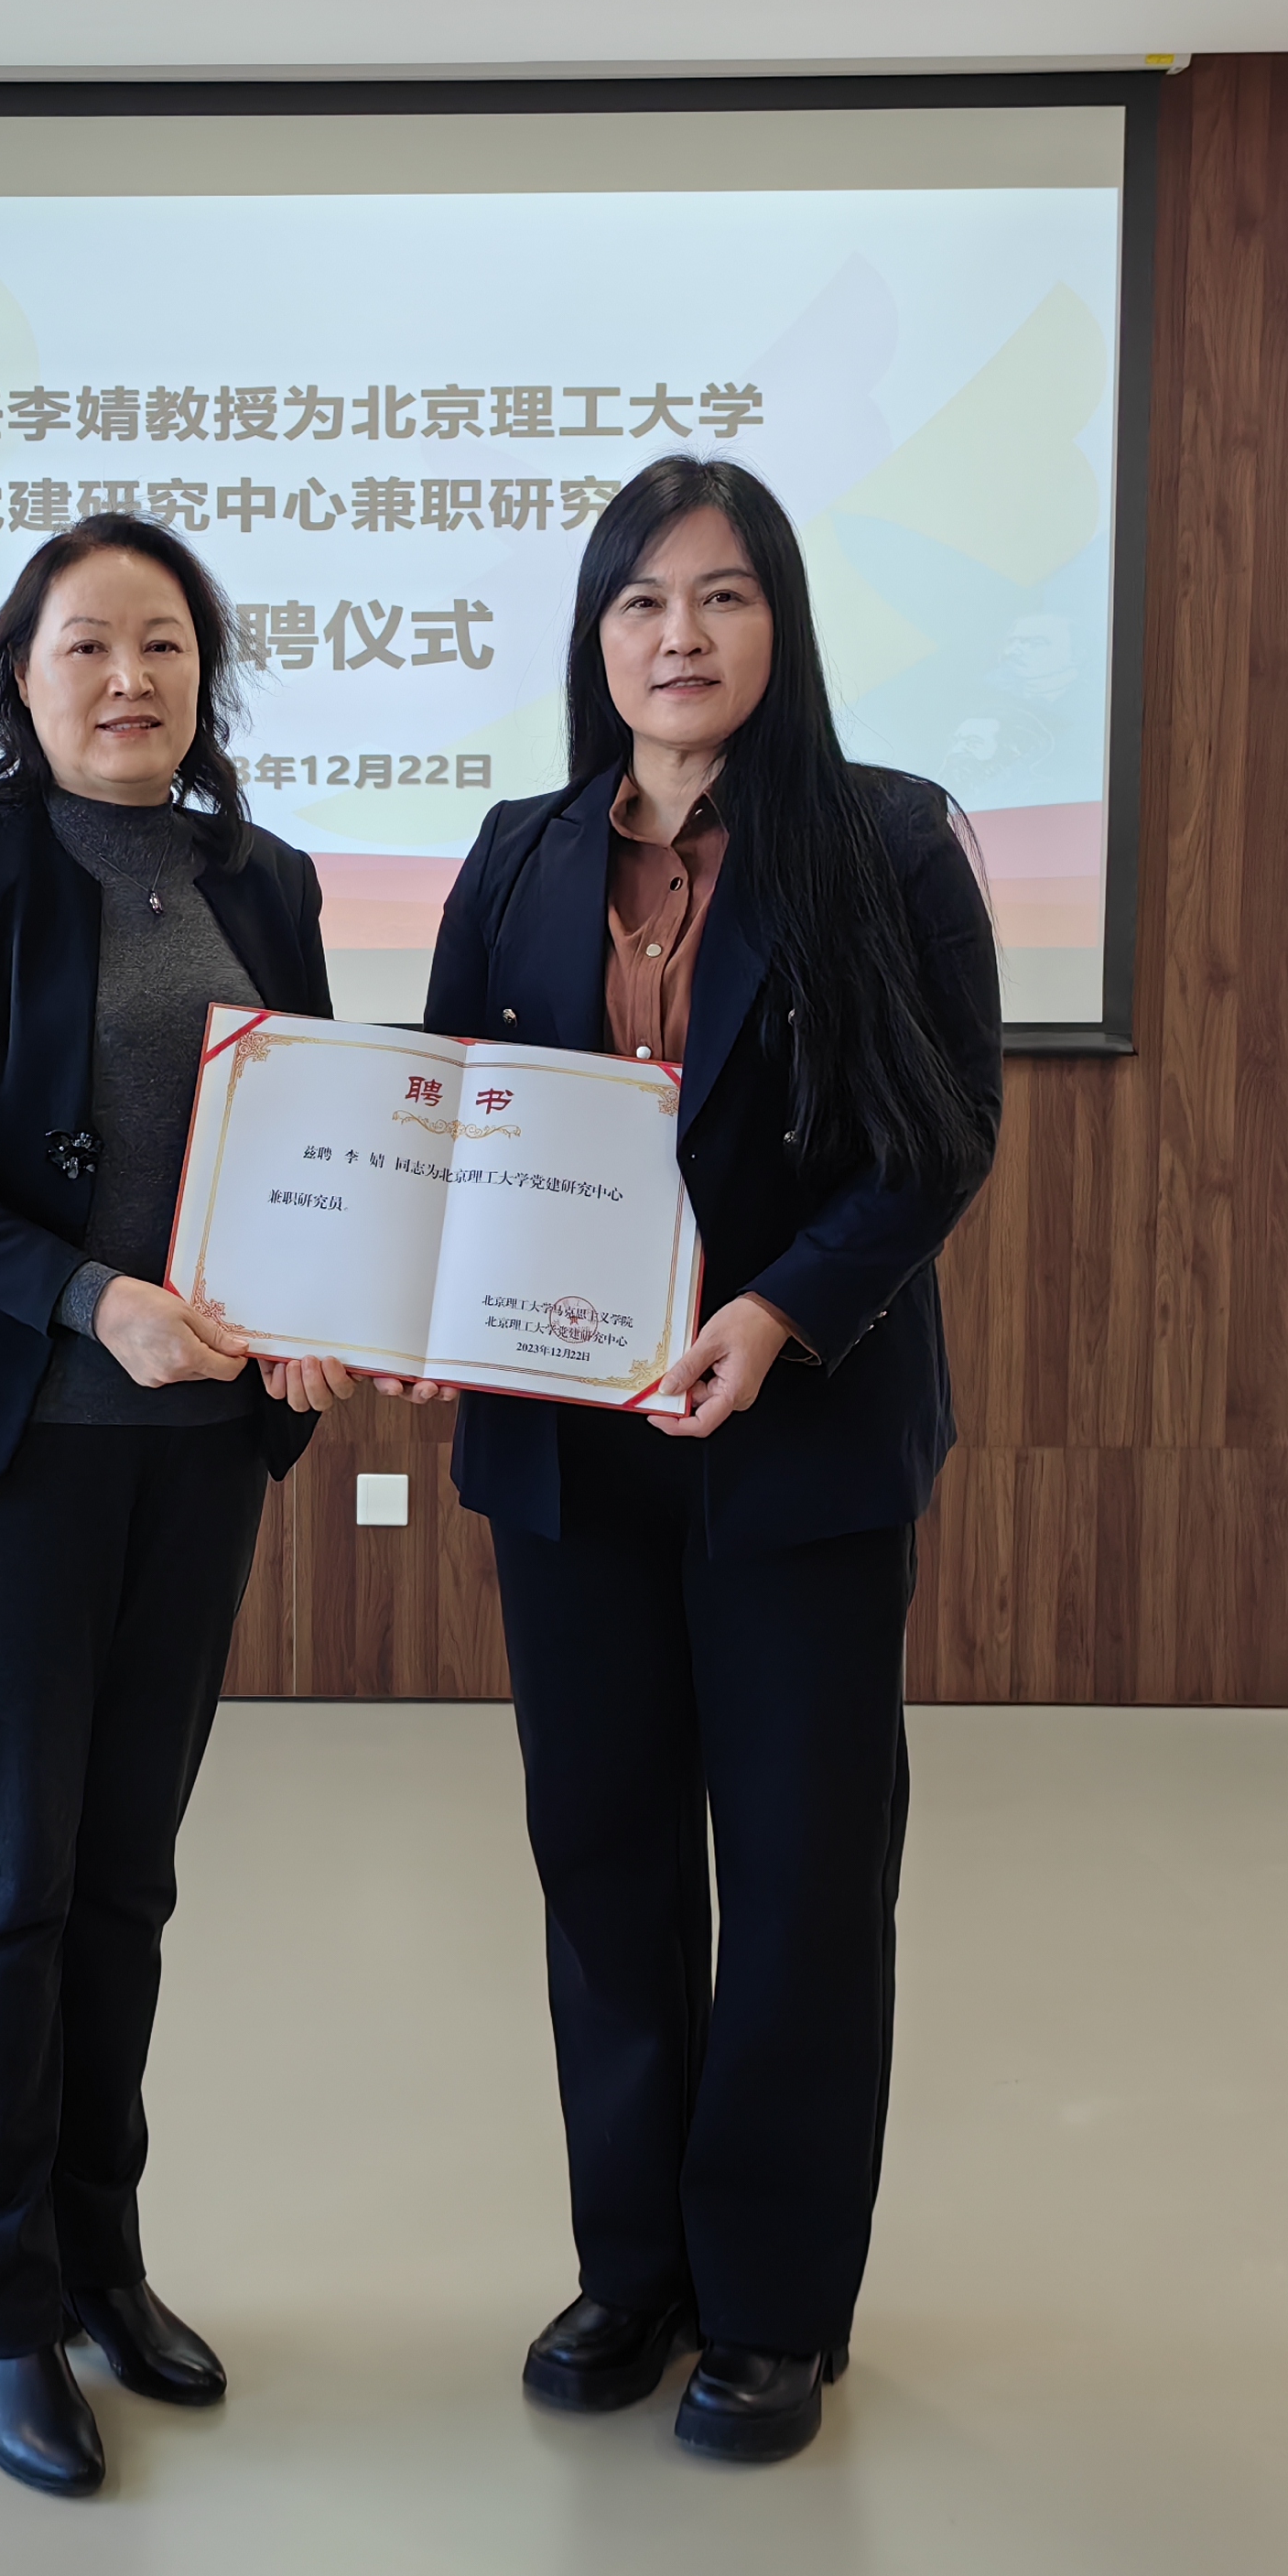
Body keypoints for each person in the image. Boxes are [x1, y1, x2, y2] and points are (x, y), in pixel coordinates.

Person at [414, 454, 1002, 2462]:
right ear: (595, 637)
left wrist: (773, 1317)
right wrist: (406, 1299)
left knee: (803, 1873)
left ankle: (768, 2307)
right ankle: (634, 2268)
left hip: (794, 1437)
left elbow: (937, 1138)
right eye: (642, 601)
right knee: (601, 1861)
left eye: (723, 596)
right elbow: (447, 1122)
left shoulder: (885, 842)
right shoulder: (516, 854)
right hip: (567, 1453)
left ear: (780, 624)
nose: (681, 635)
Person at [0, 515, 365, 2498]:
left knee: (126, 1876)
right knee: (6, 1882)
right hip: (10, 1446)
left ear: (206, 674)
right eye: (86, 645)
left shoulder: (266, 880)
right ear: (21, 677)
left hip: (195, 1457)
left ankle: (103, 2265)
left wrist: (314, 1310)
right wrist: (91, 1297)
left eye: (164, 643)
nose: (129, 678)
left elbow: (311, 1145)